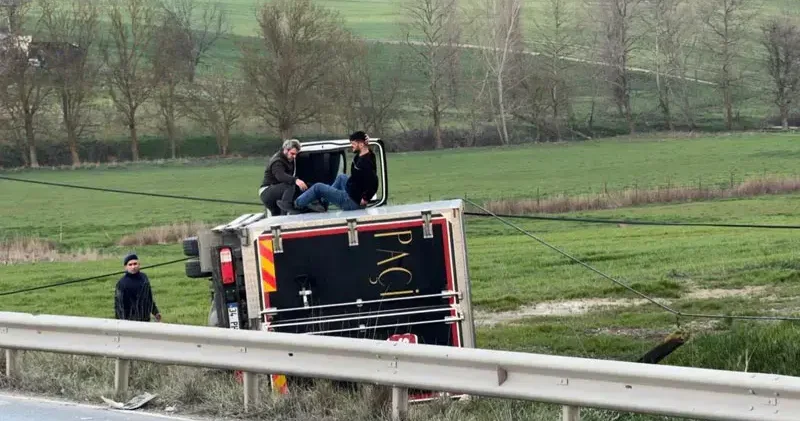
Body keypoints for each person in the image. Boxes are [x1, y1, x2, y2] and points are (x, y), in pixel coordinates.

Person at [293, 131, 378, 212]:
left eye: (353, 144)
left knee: (318, 187)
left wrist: (366, 198)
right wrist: (366, 142)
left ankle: (296, 205)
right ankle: (324, 202)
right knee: (342, 177)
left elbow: (374, 182)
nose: (352, 146)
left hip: (351, 202)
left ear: (361, 144)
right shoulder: (367, 155)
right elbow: (366, 152)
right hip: (352, 192)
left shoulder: (365, 163)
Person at [259, 139, 308, 216]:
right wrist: (296, 180)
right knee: (290, 184)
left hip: (277, 191)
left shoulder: (288, 159)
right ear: (285, 150)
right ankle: (286, 205)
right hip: (266, 191)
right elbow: (280, 176)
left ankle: (284, 212)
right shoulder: (277, 161)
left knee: (277, 217)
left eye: (296, 154)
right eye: (292, 153)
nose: (294, 156)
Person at [114, 253, 162, 322]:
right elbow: (119, 307)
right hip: (129, 321)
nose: (133, 267)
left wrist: (156, 312)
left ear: (139, 264)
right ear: (125, 267)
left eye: (135, 264)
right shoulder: (121, 283)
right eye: (130, 265)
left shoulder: (144, 278)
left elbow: (149, 298)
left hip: (145, 319)